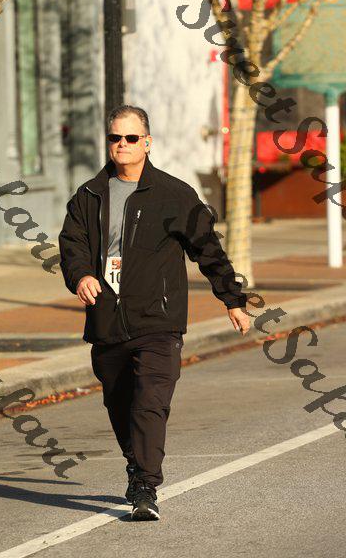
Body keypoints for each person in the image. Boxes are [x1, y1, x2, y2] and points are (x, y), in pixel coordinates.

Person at [58, 105, 250, 521]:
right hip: (107, 320)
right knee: (120, 403)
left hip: (158, 320)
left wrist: (232, 299)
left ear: (147, 142)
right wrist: (81, 275)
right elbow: (72, 243)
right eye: (115, 138)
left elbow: (207, 249)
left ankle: (145, 485)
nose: (122, 145)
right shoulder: (90, 194)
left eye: (131, 138)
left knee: (150, 401)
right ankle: (137, 463)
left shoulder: (173, 194)